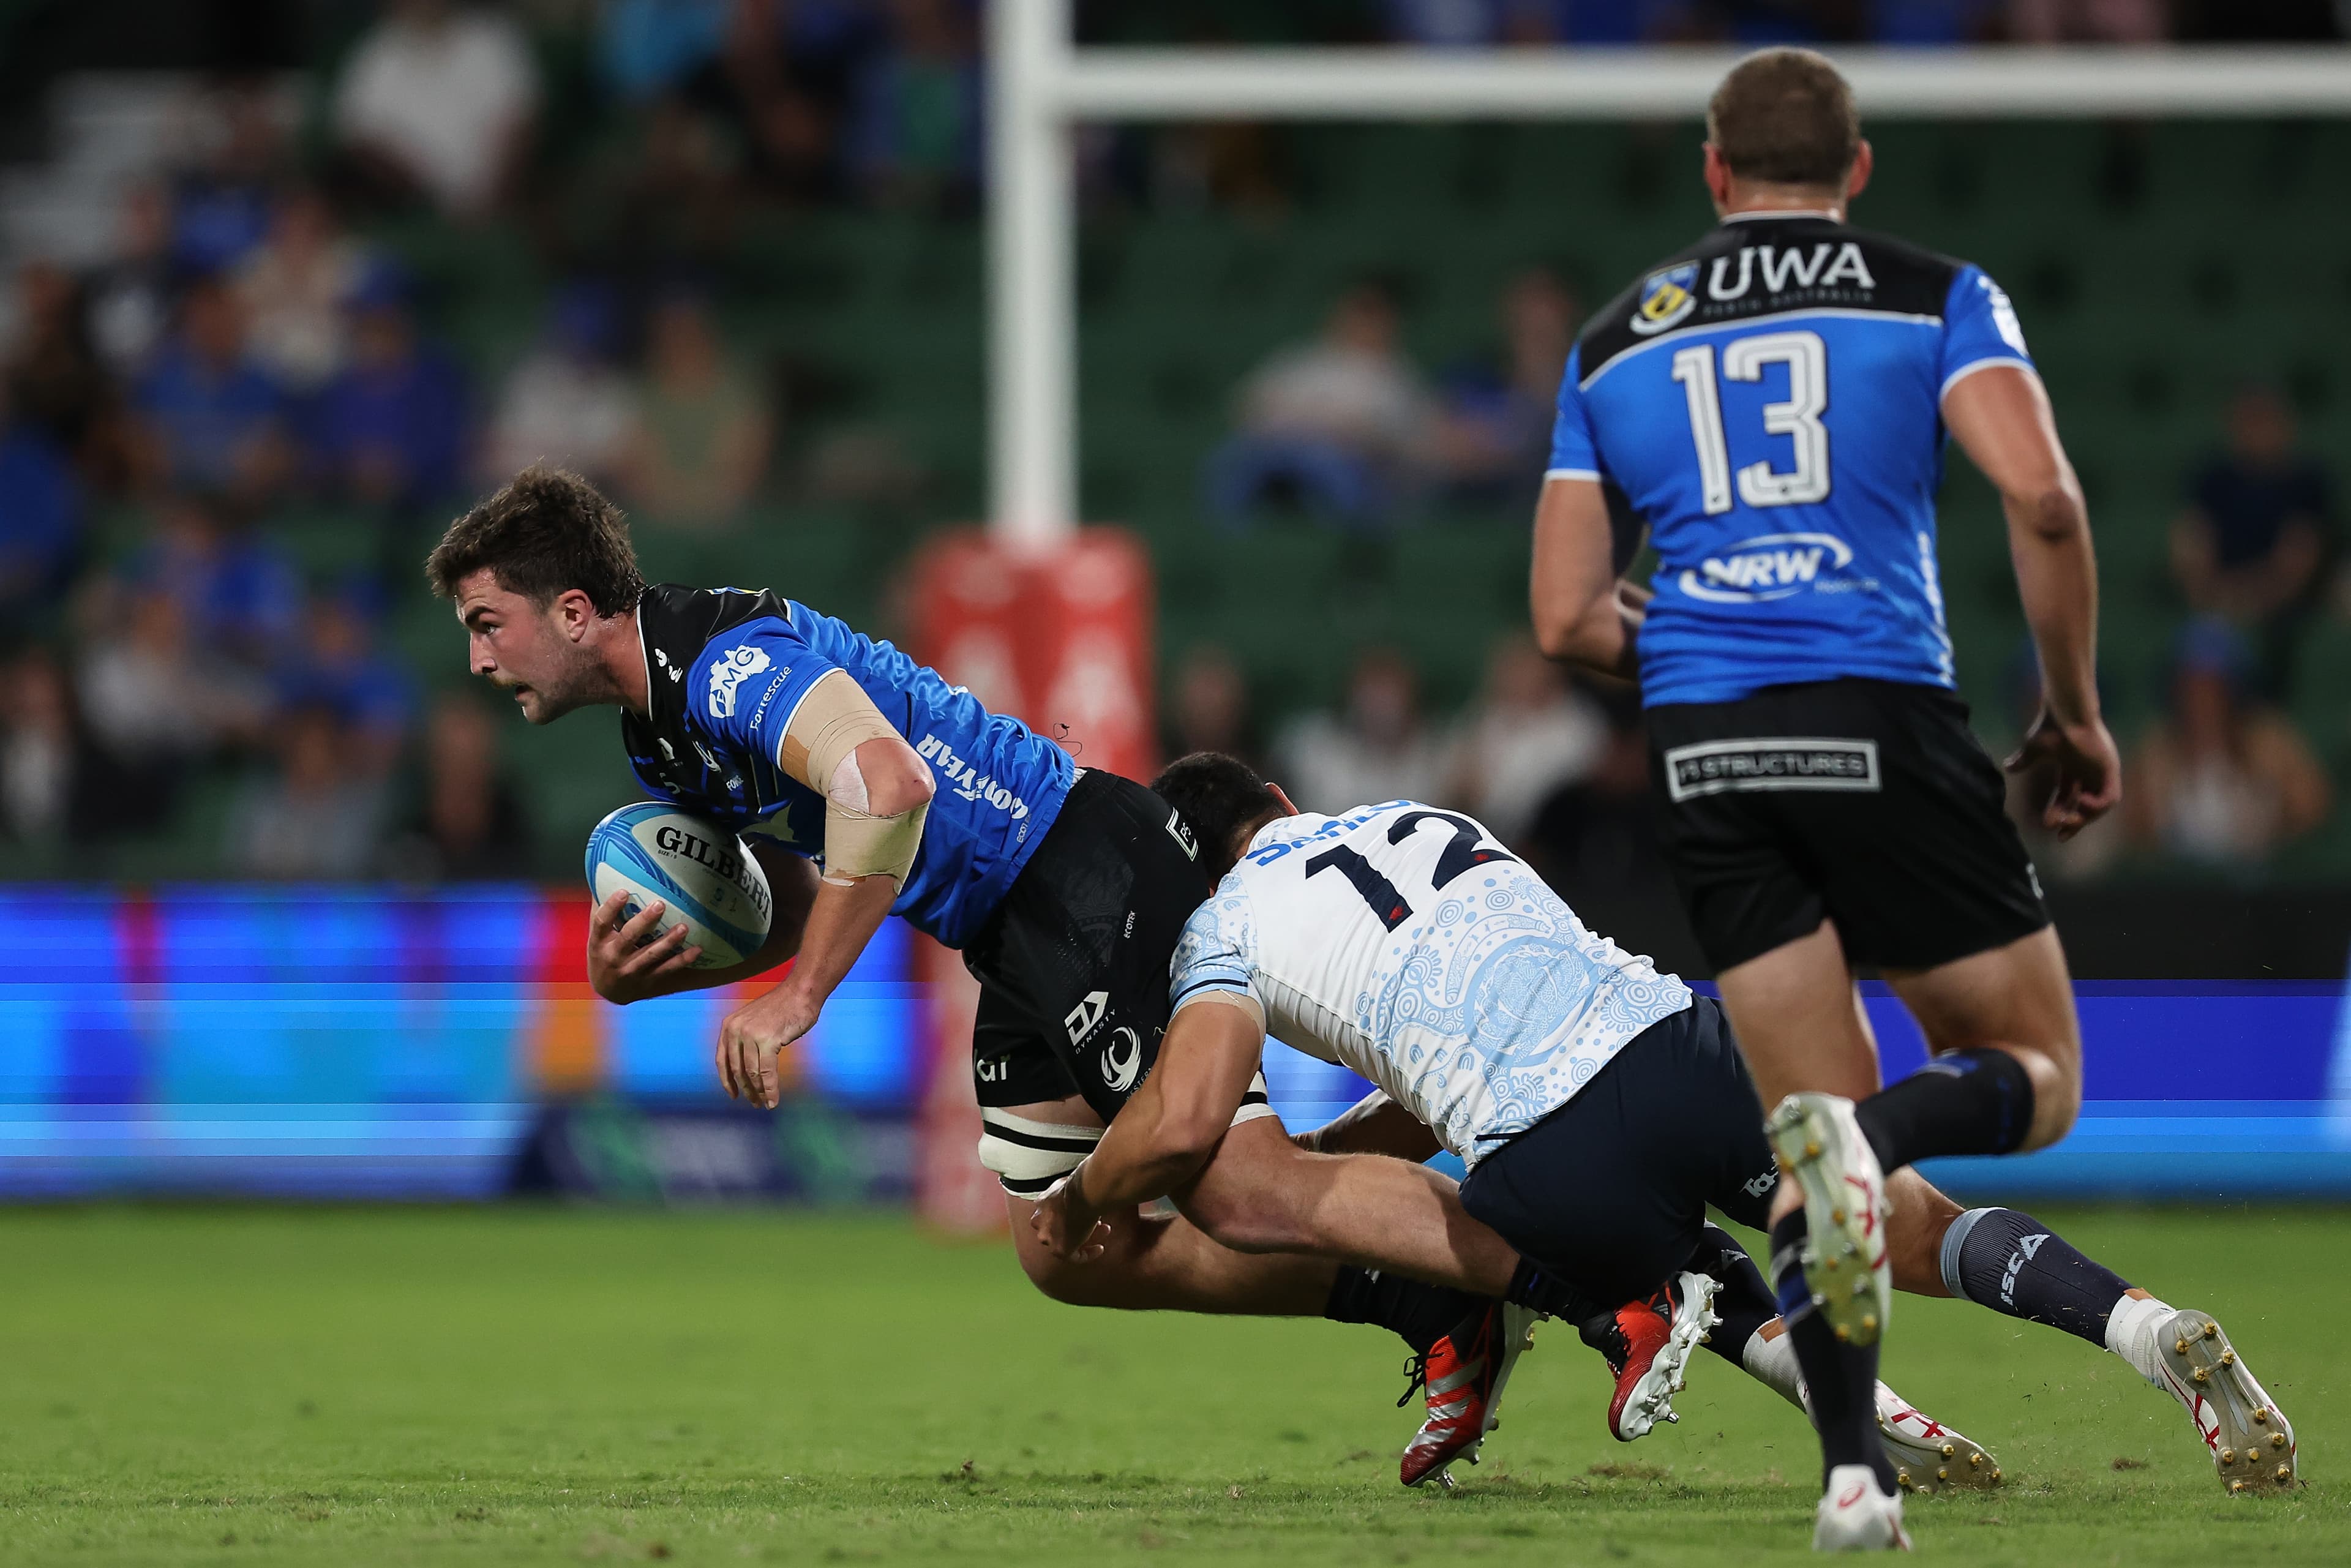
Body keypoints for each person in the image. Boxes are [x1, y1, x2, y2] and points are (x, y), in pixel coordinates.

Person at [424, 465, 1554, 1473]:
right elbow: (818, 883)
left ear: (573, 612)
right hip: (1007, 928)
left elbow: (890, 788)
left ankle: (1599, 1269)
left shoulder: (723, 666)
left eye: (488, 623)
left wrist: (802, 998)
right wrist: (643, 976)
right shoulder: (657, 737)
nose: (476, 657)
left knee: (1238, 1188)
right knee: (1075, 1250)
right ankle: (1428, 1294)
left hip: (1076, 869)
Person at [1033, 753, 2292, 1504]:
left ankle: (1858, 1408)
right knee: (1916, 1229)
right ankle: (2140, 1325)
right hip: (1683, 1039)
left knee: (1659, 1256)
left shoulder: (1220, 927)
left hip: (1546, 1154)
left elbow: (1214, 1120)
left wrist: (1100, 1196)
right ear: (1286, 796)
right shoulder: (1419, 816)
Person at [1527, 48, 2145, 1548]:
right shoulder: (1935, 293)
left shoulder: (1617, 339)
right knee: (2030, 1070)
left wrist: (1680, 637)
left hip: (1705, 748)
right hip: (1878, 711)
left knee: (1803, 1117)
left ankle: (1853, 1477)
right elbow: (2045, 496)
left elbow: (1564, 620)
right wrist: (2070, 714)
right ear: (1855, 168)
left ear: (1712, 172)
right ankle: (1863, 1144)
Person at [2124, 618, 2329, 866]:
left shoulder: (2270, 741)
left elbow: (2312, 809)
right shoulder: (2157, 749)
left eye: (2212, 688)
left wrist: (2273, 829)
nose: (2201, 700)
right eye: (2191, 687)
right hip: (2181, 892)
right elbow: (2137, 830)